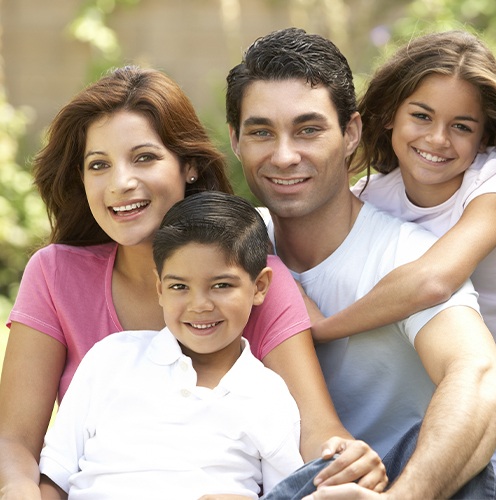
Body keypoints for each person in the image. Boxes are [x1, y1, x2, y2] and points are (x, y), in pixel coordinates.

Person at [0, 66, 385, 499]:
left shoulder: (250, 279)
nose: (120, 183)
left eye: (144, 157)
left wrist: (343, 456)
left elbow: (315, 427)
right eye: (98, 165)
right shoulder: (55, 275)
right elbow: (14, 440)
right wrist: (19, 489)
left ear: (189, 167)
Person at [226, 27, 496, 498]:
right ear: (235, 141)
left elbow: (483, 383)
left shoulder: (406, 253)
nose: (284, 156)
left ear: (351, 133)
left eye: (309, 129)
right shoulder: (230, 248)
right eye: (262, 132)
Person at [311, 30, 496, 498]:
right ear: (390, 115)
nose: (438, 139)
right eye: (421, 115)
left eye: (461, 126)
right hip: (481, 411)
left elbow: (434, 280)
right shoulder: (373, 199)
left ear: (485, 135)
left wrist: (325, 327)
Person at [38, 191, 305, 499]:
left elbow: (288, 493)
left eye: (221, 285)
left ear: (259, 287)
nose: (200, 305)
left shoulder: (268, 395)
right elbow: (54, 478)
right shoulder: (110, 359)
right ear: (160, 289)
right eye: (179, 286)